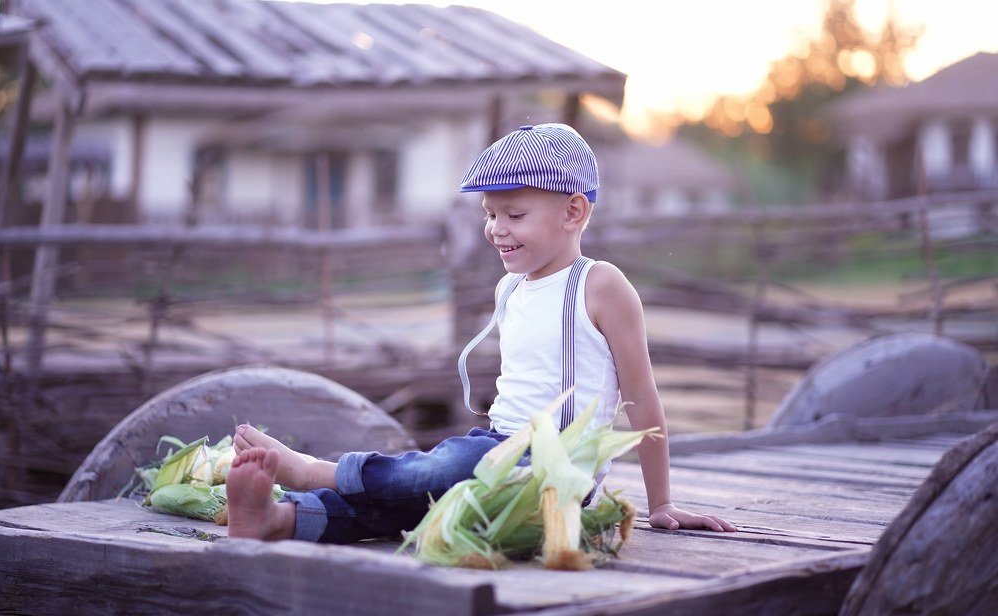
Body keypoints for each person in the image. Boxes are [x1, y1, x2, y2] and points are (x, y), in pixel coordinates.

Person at [226, 123, 736, 542]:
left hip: (555, 472)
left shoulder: (600, 285)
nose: (496, 228)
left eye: (515, 214)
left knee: (444, 467)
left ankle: (317, 472)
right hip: (496, 450)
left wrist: (662, 503)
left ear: (574, 212)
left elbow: (642, 398)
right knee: (422, 501)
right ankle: (284, 519)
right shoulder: (510, 287)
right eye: (490, 214)